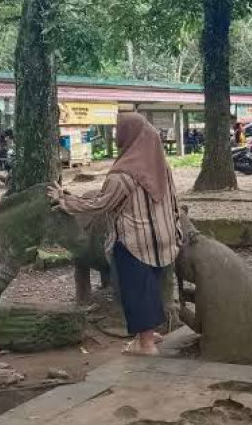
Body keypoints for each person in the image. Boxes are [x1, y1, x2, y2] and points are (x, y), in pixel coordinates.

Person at [48, 113, 181, 356]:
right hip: (163, 237)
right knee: (150, 285)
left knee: (134, 289)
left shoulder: (123, 174)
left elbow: (101, 205)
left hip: (135, 240)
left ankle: (145, 344)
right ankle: (150, 334)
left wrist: (65, 201)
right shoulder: (160, 165)